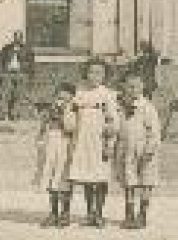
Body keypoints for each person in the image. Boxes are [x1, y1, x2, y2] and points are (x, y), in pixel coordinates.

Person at [66, 58, 120, 227]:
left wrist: (109, 140)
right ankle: (90, 212)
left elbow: (113, 119)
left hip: (99, 139)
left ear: (104, 75)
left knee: (100, 176)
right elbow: (72, 114)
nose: (94, 76)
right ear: (86, 73)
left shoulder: (108, 94)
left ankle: (99, 212)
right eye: (91, 72)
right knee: (87, 177)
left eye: (99, 73)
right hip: (83, 139)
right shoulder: (80, 93)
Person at [112, 71, 164, 229]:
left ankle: (142, 213)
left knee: (146, 181)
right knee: (129, 181)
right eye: (129, 86)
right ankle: (129, 214)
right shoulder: (120, 107)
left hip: (144, 149)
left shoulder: (147, 107)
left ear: (142, 87)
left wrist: (150, 148)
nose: (132, 89)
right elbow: (116, 127)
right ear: (123, 87)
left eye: (136, 86)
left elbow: (154, 131)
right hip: (126, 149)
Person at [34, 84, 77, 228]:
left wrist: (64, 111)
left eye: (66, 99)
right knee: (51, 178)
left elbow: (71, 128)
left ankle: (65, 213)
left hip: (65, 145)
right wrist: (40, 142)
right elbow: (43, 127)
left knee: (64, 179)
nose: (62, 101)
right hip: (51, 145)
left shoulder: (73, 111)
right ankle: (53, 213)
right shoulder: (49, 111)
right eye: (59, 98)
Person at [0, 30, 35, 121]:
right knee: (4, 94)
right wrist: (2, 73)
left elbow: (31, 64)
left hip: (21, 74)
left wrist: (28, 75)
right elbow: (0, 62)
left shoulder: (27, 50)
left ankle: (15, 115)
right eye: (16, 37)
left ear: (22, 39)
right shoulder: (7, 49)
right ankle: (2, 114)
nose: (18, 39)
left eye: (20, 37)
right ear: (14, 38)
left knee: (18, 95)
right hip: (8, 74)